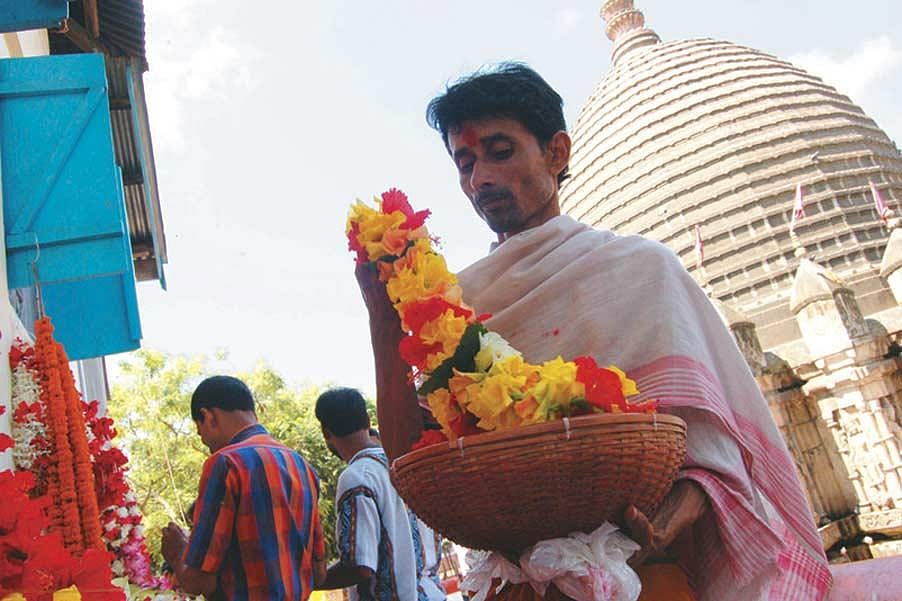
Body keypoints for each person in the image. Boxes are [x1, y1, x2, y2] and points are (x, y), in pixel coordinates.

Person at [353, 63, 832, 600]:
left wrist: (658, 530)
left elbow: (714, 457)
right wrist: (381, 316)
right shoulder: (454, 306)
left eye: (500, 151)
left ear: (557, 153)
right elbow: (408, 460)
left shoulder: (641, 269)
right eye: (465, 162)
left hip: (643, 578)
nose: (480, 178)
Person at [160, 375, 327, 600]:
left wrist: (178, 550)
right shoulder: (301, 465)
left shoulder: (226, 463)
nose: (205, 443)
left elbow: (198, 580)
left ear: (208, 417)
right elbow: (319, 572)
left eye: (200, 432)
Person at [314, 387, 446, 601]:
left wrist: (311, 581)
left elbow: (360, 567)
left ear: (326, 433)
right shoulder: (405, 463)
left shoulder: (356, 477)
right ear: (368, 421)